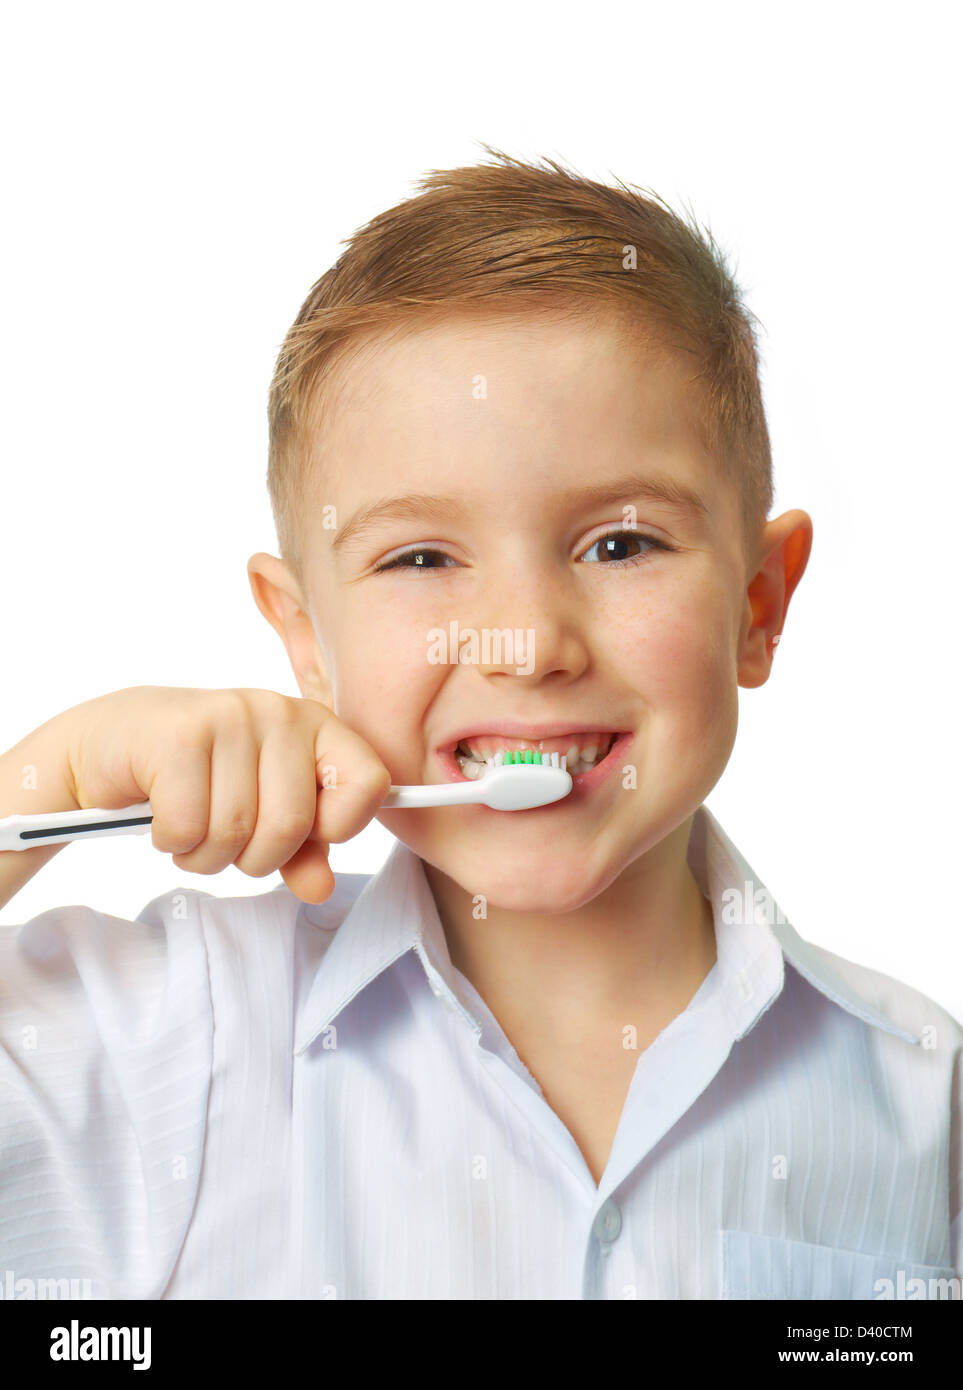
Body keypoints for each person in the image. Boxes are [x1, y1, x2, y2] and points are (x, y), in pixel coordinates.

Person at [1, 150, 959, 1300]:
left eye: (621, 543)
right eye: (421, 557)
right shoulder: (176, 1035)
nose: (524, 642)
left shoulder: (922, 1101)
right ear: (306, 641)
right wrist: (46, 780)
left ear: (758, 606)